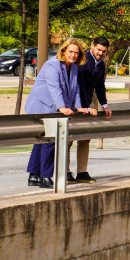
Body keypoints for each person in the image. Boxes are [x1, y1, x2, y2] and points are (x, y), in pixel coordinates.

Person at [25, 39, 96, 188]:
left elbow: (75, 89)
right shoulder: (52, 65)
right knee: (51, 140)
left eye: (76, 53)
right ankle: (45, 177)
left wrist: (78, 107)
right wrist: (62, 107)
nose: (73, 55)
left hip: (54, 106)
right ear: (63, 51)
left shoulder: (74, 68)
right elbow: (54, 88)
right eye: (70, 51)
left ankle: (34, 175)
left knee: (42, 140)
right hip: (43, 106)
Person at [69, 36, 112, 183]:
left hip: (88, 103)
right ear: (92, 46)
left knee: (85, 138)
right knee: (68, 139)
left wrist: (104, 105)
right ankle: (66, 171)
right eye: (99, 49)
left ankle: (82, 171)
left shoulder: (100, 64)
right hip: (74, 104)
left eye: (104, 51)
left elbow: (99, 85)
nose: (100, 53)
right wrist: (83, 107)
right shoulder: (82, 60)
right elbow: (78, 86)